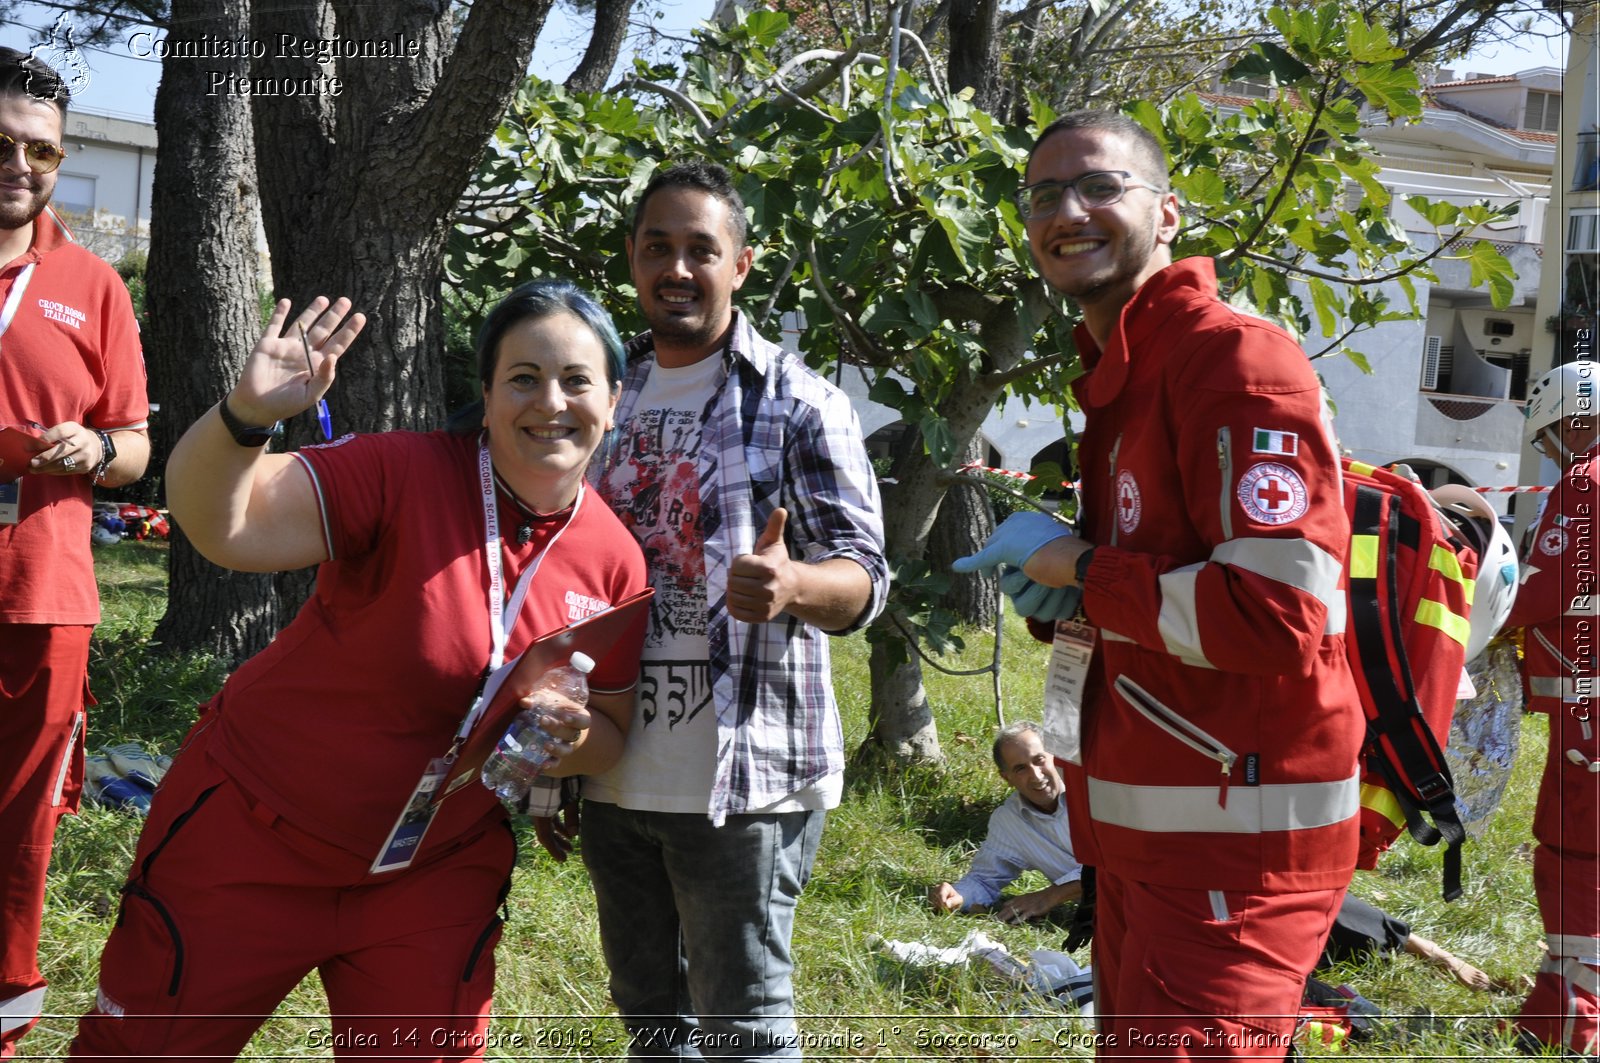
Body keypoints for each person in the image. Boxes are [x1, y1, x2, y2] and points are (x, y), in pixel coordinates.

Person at [70, 281, 648, 1061]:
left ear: (612, 400)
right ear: (485, 396)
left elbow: (609, 734)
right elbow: (224, 526)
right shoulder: (399, 471)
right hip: (251, 837)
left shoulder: (615, 558)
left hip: (431, 869)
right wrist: (248, 416)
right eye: (523, 377)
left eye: (577, 380)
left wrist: (572, 737)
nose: (551, 400)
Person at [954, 111, 1363, 1057]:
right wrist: (1069, 605)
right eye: (1045, 194)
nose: (1069, 210)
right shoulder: (1126, 372)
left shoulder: (1233, 362)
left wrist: (1088, 571)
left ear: (1168, 214)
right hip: (1143, 847)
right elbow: (1169, 594)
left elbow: (1278, 615)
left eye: (1100, 186)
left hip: (1233, 859)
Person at [579, 161, 888, 1060]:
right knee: (652, 1028)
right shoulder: (603, 398)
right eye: (657, 248)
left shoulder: (802, 402)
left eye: (700, 250)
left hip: (745, 781)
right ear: (633, 261)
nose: (677, 268)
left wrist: (794, 586)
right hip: (612, 770)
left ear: (741, 264)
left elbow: (866, 576)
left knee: (745, 1035)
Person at [0, 47, 150, 1058]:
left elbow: (136, 444)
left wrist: (96, 446)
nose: (22, 163)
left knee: (19, 835)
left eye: (42, 150)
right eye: (4, 143)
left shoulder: (90, 284)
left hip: (41, 595)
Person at [1502, 361, 1600, 1057]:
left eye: (1550, 439)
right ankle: (1551, 1004)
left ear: (1574, 420)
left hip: (1589, 712)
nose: (1552, 457)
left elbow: (1540, 589)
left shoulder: (1586, 484)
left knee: (1571, 853)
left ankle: (1577, 1016)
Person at [929, 721, 1083, 923]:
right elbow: (984, 880)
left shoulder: (1093, 794)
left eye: (1040, 760)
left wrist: (1050, 896)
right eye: (1020, 769)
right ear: (1006, 778)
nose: (1036, 776)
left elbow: (1120, 867)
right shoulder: (1009, 821)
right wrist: (957, 896)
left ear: (1055, 757)